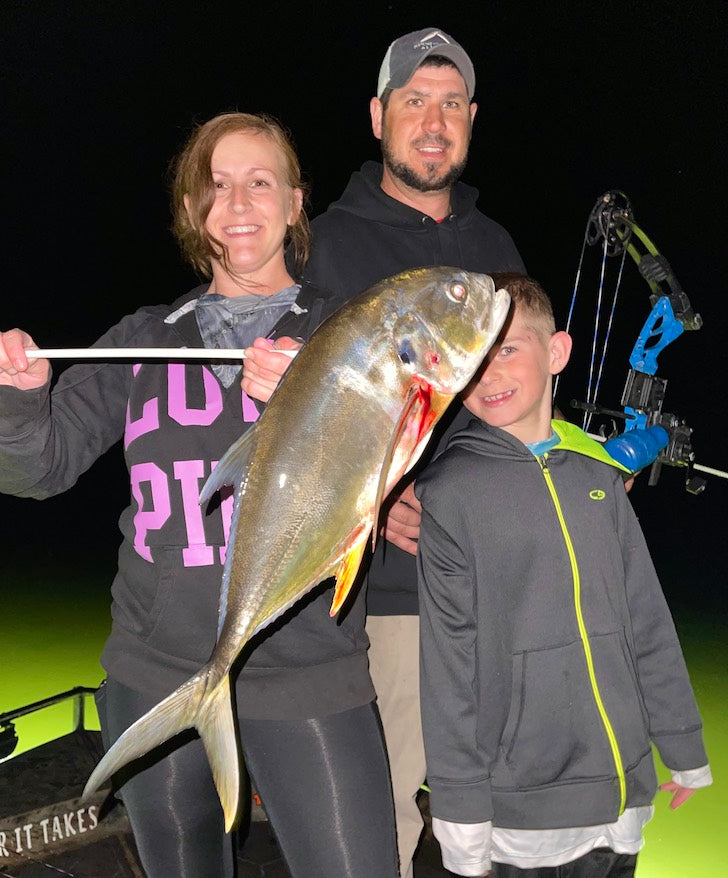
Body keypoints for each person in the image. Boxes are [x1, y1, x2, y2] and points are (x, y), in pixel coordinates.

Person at [0, 112, 398, 878]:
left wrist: (321, 397)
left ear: (297, 202)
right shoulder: (145, 336)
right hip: (152, 670)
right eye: (215, 185)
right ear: (193, 210)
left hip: (307, 672)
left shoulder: (348, 334)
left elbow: (393, 479)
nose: (237, 202)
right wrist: (13, 399)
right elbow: (34, 471)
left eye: (260, 182)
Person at [241, 28, 525, 877]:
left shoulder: (496, 254)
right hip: (384, 595)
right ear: (378, 115)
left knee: (498, 817)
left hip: (491, 587)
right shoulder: (319, 245)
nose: (432, 122)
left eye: (449, 104)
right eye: (413, 101)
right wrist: (376, 484)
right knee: (386, 821)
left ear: (471, 120)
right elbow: (276, 406)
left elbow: (510, 412)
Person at [415, 273, 711, 877]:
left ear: (556, 352)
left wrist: (681, 744)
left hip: (621, 803)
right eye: (470, 360)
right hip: (520, 819)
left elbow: (647, 620)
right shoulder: (450, 495)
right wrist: (461, 810)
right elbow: (448, 668)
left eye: (507, 350)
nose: (488, 375)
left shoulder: (598, 478)